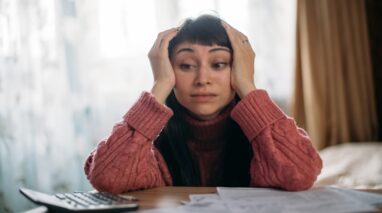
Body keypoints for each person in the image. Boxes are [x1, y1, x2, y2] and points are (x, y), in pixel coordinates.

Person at [84, 15, 322, 194]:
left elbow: (300, 174)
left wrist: (248, 85)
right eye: (186, 65)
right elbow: (106, 178)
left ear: (238, 69)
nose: (202, 80)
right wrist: (160, 84)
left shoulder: (260, 139)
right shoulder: (150, 143)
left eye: (218, 64)